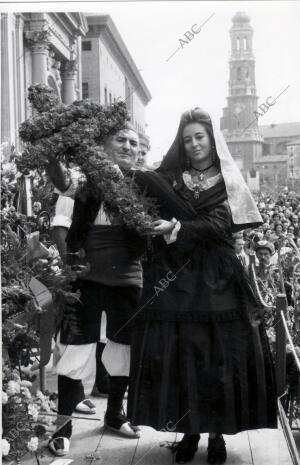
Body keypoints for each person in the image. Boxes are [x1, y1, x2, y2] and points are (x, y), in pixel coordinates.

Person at [127, 108, 277, 464]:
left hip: (219, 280)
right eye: (188, 138)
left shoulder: (229, 178)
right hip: (178, 277)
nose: (194, 144)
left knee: (218, 359)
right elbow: (143, 202)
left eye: (200, 137)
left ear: (212, 140)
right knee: (184, 357)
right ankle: (190, 431)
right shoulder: (168, 177)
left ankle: (217, 435)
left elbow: (220, 223)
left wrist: (175, 227)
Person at [47, 122, 144, 456]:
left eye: (134, 142)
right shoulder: (87, 180)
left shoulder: (145, 183)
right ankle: (62, 426)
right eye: (121, 140)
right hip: (86, 277)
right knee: (76, 347)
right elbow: (62, 182)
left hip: (128, 278)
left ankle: (115, 415)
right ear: (104, 146)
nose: (129, 146)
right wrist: (50, 151)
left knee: (123, 347)